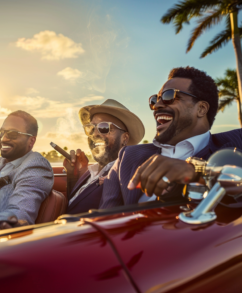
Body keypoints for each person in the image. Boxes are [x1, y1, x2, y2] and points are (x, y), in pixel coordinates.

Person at [100, 66, 242, 208]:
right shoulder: (127, 156)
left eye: (169, 96)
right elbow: (103, 220)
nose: (157, 106)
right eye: (155, 100)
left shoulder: (236, 140)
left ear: (201, 109)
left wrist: (197, 171)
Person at [63, 99, 145, 214]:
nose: (95, 134)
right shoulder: (90, 171)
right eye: (91, 128)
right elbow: (75, 205)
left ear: (124, 138)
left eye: (104, 128)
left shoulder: (126, 176)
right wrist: (73, 174)